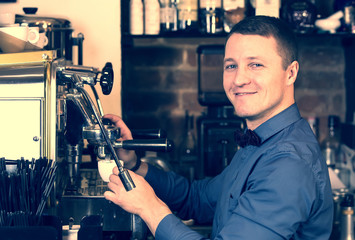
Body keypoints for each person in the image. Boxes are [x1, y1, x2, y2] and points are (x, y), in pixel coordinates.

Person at [103, 15, 333, 239]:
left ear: (290, 73)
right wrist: (135, 164)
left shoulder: (288, 164)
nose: (239, 79)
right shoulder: (260, 141)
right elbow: (198, 199)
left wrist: (149, 208)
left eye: (255, 65)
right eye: (231, 66)